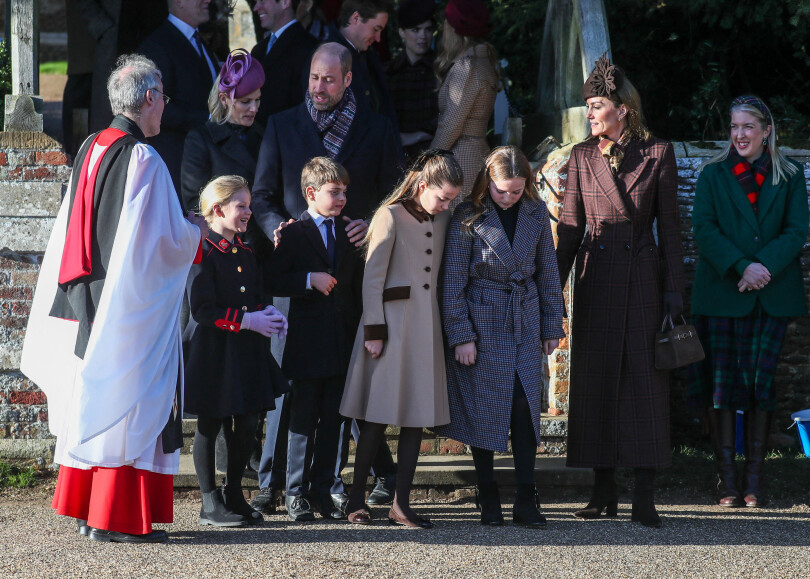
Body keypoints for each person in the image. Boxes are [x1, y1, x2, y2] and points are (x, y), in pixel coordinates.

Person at [20, 54, 205, 543]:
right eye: (163, 96)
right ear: (148, 98)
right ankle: (115, 518)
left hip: (88, 295)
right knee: (131, 402)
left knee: (97, 397)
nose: (165, 105)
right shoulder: (142, 158)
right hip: (126, 302)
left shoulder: (92, 145)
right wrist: (197, 231)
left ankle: (88, 510)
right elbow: (159, 244)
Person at [250, 42, 403, 515]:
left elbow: (393, 192)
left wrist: (370, 220)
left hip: (346, 279)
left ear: (348, 80)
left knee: (336, 395)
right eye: (314, 78)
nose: (318, 87)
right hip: (296, 273)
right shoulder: (281, 124)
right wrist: (277, 226)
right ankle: (274, 483)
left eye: (329, 80)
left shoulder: (377, 128)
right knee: (291, 394)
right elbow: (261, 194)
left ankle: (327, 485)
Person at [555, 53, 685, 528]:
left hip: (644, 280)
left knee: (644, 386)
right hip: (595, 277)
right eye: (588, 106)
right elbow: (569, 229)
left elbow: (669, 229)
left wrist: (674, 293)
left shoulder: (659, 153)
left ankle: (644, 495)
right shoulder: (581, 156)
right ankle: (602, 489)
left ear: (622, 108)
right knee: (595, 382)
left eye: (595, 105)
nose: (589, 114)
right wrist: (551, 294)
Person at [688, 96, 808, 508]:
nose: (739, 135)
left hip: (771, 294)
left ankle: (755, 481)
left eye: (748, 127)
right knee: (722, 387)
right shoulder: (713, 175)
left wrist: (762, 268)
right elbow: (703, 229)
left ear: (766, 130)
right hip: (723, 293)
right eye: (734, 127)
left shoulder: (789, 175)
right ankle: (726, 483)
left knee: (761, 386)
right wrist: (742, 266)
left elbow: (796, 230)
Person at [437, 146, 565, 527]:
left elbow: (548, 272)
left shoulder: (536, 213)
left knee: (525, 409)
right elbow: (452, 282)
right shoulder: (467, 215)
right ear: (486, 183)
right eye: (501, 190)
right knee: (485, 408)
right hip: (482, 320)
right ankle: (487, 492)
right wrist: (461, 335)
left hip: (523, 317)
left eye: (516, 190)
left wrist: (549, 325)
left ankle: (527, 497)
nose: (508, 198)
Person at [340, 149, 463, 527]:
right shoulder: (388, 216)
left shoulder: (444, 219)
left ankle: (401, 504)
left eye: (452, 200)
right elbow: (372, 278)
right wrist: (374, 331)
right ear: (422, 185)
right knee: (376, 416)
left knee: (415, 417)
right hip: (389, 328)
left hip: (425, 328)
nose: (446, 206)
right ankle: (356, 500)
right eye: (442, 197)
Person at [184, 175, 289, 527]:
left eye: (248, 205)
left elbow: (254, 293)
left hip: (245, 349)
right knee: (211, 423)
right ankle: (209, 500)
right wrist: (247, 321)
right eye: (241, 205)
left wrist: (268, 313)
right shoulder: (202, 248)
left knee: (247, 421)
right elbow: (202, 309)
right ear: (217, 209)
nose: (248, 212)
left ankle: (233, 493)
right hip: (214, 348)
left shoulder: (244, 247)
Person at [266, 157, 364, 521]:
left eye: (344, 192)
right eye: (334, 192)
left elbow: (356, 287)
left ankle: (324, 490)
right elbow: (273, 279)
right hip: (306, 345)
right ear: (311, 193)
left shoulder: (349, 232)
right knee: (302, 419)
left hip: (341, 342)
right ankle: (295, 492)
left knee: (334, 421)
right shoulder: (293, 232)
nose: (341, 199)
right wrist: (309, 279)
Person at [181, 48, 271, 258]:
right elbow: (195, 202)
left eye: (257, 100)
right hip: (222, 249)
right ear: (224, 99)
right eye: (245, 102)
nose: (254, 108)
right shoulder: (201, 139)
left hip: (262, 246)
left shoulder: (265, 134)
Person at [138, 0, 219, 192]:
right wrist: (209, 118)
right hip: (177, 166)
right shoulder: (156, 46)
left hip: (204, 161)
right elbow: (155, 106)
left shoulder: (199, 42)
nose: (207, 1)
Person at [430, 0, 501, 203]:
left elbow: (451, 124)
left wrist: (428, 160)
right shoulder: (483, 61)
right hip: (475, 153)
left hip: (461, 159)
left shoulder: (467, 67)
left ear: (453, 29)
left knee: (457, 227)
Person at [326, 0, 398, 128]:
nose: (378, 38)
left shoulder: (368, 57)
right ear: (356, 18)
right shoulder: (325, 59)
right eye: (376, 29)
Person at [384, 0, 438, 164]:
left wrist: (419, 134)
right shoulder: (387, 72)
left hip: (432, 158)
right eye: (416, 30)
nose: (423, 36)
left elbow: (450, 116)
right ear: (402, 32)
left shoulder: (441, 70)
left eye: (428, 30)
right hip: (394, 157)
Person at [250, 0, 318, 128]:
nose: (256, 7)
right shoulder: (258, 50)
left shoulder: (308, 48)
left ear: (285, 3)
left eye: (262, 1)